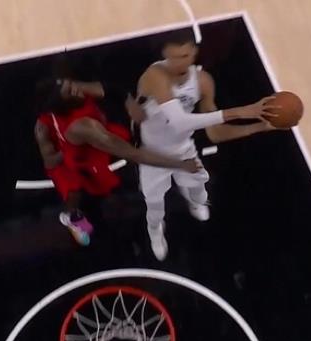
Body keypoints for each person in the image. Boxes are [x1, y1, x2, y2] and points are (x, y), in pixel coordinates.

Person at [136, 30, 282, 260]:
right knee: (154, 205)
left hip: (183, 148)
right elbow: (180, 121)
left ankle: (194, 202)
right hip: (152, 154)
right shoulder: (155, 76)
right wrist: (241, 111)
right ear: (164, 56)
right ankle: (155, 231)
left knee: (198, 190)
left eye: (184, 56)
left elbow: (215, 134)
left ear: (194, 52)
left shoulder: (203, 82)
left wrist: (259, 126)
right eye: (173, 58)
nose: (179, 63)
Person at [34, 77, 200, 246]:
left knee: (135, 133)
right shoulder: (77, 127)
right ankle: (71, 217)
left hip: (92, 138)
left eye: (70, 84)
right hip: (75, 158)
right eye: (69, 91)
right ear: (62, 103)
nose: (75, 88)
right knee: (74, 193)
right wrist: (180, 164)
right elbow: (135, 155)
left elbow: (110, 88)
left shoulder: (77, 90)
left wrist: (129, 102)